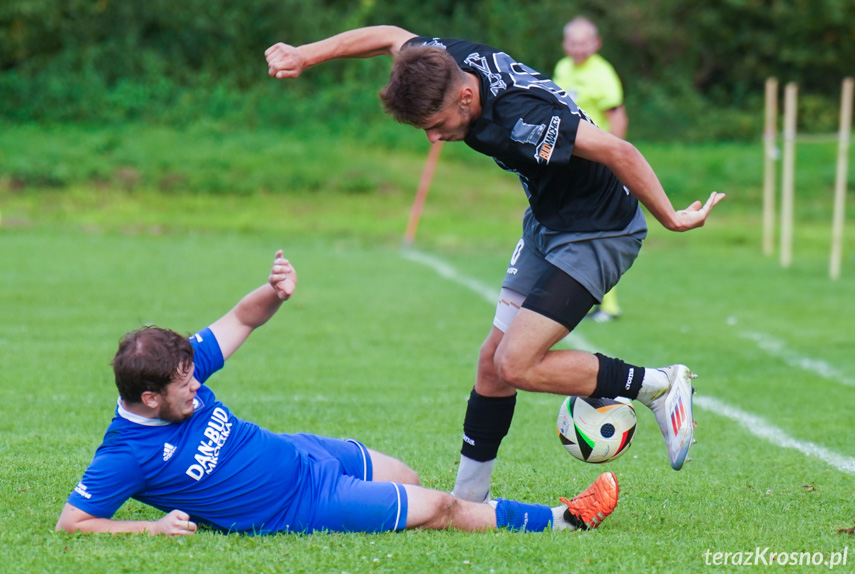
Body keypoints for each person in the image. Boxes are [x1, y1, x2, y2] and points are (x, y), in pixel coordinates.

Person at [265, 26, 723, 504]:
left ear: (466, 95)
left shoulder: (521, 117)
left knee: (517, 364)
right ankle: (468, 500)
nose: (433, 138)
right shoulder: (440, 60)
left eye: (437, 123)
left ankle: (660, 384)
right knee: (492, 365)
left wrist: (671, 217)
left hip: (599, 230)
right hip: (547, 224)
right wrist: (304, 53)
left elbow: (617, 149)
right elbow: (387, 36)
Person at [56, 250, 620, 536]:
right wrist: (150, 527)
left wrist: (274, 291)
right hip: (300, 504)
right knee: (440, 508)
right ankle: (562, 520)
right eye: (184, 385)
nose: (197, 383)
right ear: (149, 398)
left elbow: (241, 319)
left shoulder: (178, 368)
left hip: (304, 453)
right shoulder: (123, 455)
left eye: (192, 372)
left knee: (408, 478)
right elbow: (72, 524)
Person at [553, 16, 629, 323]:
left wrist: (616, 156)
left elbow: (617, 115)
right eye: (573, 42)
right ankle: (584, 299)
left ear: (595, 43)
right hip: (571, 162)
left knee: (599, 230)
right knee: (575, 228)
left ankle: (609, 305)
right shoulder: (562, 68)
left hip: (598, 161)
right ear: (565, 45)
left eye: (584, 42)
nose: (578, 48)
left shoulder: (602, 74)